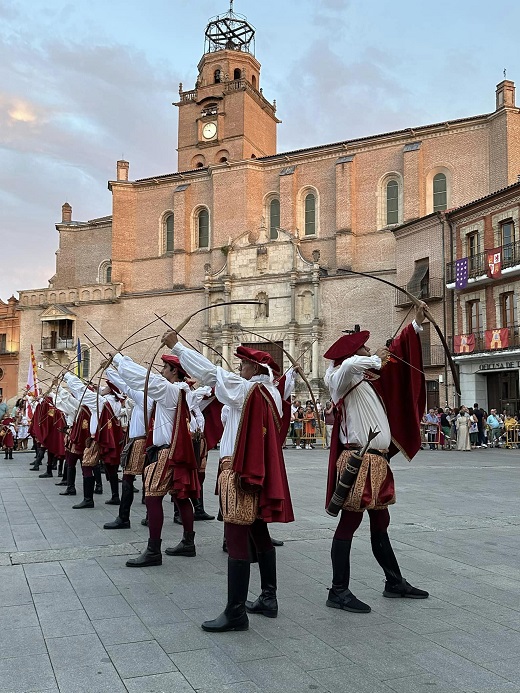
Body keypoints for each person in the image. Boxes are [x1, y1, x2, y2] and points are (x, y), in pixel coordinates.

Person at [167, 333, 294, 632]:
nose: (239, 369)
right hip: (250, 469)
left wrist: (178, 348)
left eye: (244, 365)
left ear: (256, 370)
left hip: (238, 470)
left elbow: (212, 374)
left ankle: (236, 612)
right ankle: (268, 597)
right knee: (259, 533)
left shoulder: (248, 390)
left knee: (237, 538)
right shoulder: (270, 393)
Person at [323, 302, 429, 614]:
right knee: (349, 522)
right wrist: (369, 357)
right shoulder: (340, 379)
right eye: (363, 350)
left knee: (380, 520)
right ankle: (338, 590)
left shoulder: (364, 378)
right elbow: (346, 368)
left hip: (376, 461)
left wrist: (415, 323)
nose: (370, 353)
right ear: (351, 355)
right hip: (359, 460)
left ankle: (393, 582)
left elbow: (393, 356)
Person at [111, 352, 199, 566]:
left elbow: (147, 380)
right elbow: (139, 387)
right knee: (180, 497)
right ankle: (188, 542)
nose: (161, 371)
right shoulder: (176, 392)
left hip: (166, 452)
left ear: (174, 371)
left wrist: (121, 360)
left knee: (152, 497)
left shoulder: (171, 392)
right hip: (171, 451)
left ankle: (153, 550)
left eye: (164, 368)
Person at [102, 368, 153, 530]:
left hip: (139, 442)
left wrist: (109, 369)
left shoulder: (144, 397)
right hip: (143, 442)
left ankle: (124, 518)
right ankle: (149, 516)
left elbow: (125, 386)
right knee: (147, 480)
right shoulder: (147, 397)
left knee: (128, 478)